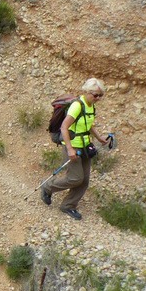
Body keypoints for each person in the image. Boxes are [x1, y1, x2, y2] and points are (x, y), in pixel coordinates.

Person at [40, 78, 113, 220]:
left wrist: (99, 138)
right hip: (74, 146)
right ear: (86, 92)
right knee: (75, 178)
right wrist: (69, 149)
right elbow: (64, 127)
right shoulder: (77, 106)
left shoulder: (90, 106)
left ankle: (68, 206)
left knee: (84, 181)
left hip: (85, 145)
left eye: (100, 95)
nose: (98, 98)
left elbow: (88, 124)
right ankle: (47, 186)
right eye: (95, 95)